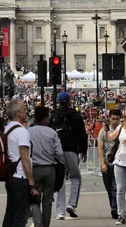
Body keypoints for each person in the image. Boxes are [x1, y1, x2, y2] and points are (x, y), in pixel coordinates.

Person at [50, 92, 87, 220]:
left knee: (60, 180)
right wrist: (84, 150)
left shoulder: (53, 115)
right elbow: (82, 134)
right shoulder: (75, 116)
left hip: (57, 151)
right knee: (75, 177)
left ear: (59, 102)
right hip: (72, 150)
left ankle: (60, 212)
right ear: (69, 101)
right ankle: (72, 204)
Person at [2, 99, 38, 227]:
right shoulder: (21, 131)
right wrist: (31, 182)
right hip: (20, 176)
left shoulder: (8, 128)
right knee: (21, 215)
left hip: (11, 175)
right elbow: (25, 158)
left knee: (10, 212)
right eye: (24, 109)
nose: (26, 111)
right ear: (17, 113)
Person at [29, 106, 64, 227]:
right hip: (49, 168)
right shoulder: (52, 133)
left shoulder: (29, 132)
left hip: (34, 169)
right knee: (47, 202)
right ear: (45, 119)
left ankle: (38, 224)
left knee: (34, 200)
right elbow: (59, 153)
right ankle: (46, 225)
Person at [97, 109, 122, 219]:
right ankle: (114, 207)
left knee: (115, 188)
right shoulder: (103, 131)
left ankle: (115, 209)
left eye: (117, 119)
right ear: (109, 118)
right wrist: (102, 163)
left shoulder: (122, 130)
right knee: (109, 189)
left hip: (118, 163)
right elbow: (100, 148)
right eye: (113, 119)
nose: (115, 121)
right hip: (107, 163)